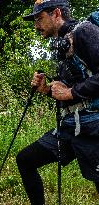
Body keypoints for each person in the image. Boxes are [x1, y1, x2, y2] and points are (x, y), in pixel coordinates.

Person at [16, 0, 99, 204]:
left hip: (94, 129)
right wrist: (47, 90)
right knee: (25, 160)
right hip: (71, 128)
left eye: (39, 18)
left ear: (57, 13)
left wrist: (71, 92)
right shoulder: (62, 42)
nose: (36, 25)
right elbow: (71, 88)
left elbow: (75, 91)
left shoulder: (85, 31)